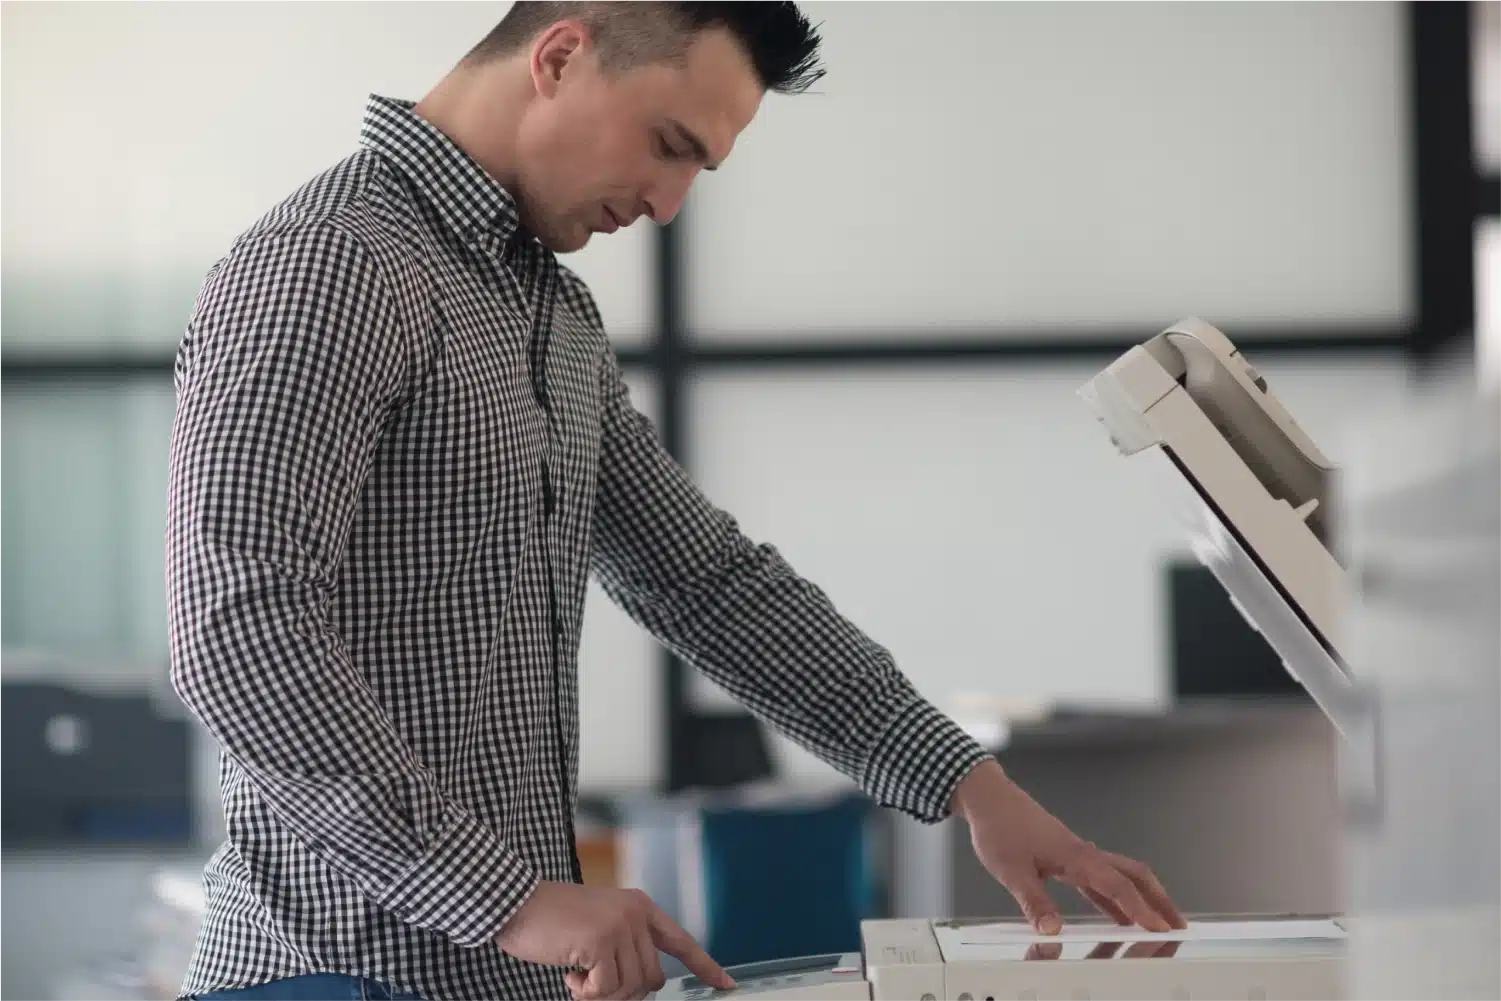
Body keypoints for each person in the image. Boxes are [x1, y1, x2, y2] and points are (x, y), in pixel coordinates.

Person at [164, 2, 1185, 1000]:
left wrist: (974, 788)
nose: (665, 204)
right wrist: (516, 902)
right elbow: (238, 628)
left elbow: (709, 585)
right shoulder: (333, 264)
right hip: (335, 972)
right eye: (667, 144)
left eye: (695, 168)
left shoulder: (553, 312)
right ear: (560, 56)